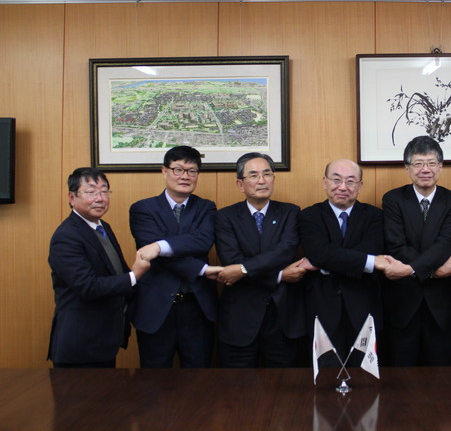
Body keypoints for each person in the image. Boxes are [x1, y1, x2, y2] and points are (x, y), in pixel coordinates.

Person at [48, 167, 151, 368]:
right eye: (91, 192)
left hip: (104, 340)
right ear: (72, 197)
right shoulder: (66, 236)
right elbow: (88, 286)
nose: (100, 198)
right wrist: (134, 275)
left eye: (104, 191)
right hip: (80, 345)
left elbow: (116, 271)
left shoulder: (103, 227)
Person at [129, 146, 221, 368]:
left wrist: (159, 246)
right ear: (164, 171)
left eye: (192, 171)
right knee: (154, 380)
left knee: (199, 378)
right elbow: (155, 255)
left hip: (197, 308)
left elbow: (203, 240)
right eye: (178, 169)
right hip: (155, 308)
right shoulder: (142, 209)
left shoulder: (206, 208)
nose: (185, 176)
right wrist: (201, 269)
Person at [214, 152, 307, 367]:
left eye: (267, 174)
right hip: (240, 317)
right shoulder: (225, 217)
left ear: (273, 178)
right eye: (254, 175)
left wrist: (243, 270)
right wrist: (280, 275)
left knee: (284, 384)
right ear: (240, 184)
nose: (262, 180)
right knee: (238, 384)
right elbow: (231, 259)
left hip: (282, 317)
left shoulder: (290, 212)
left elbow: (285, 251)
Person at [380, 136, 451, 366]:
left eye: (431, 163)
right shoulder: (393, 199)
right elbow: (396, 245)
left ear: (441, 166)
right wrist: (432, 271)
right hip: (403, 301)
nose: (425, 169)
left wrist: (410, 269)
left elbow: (446, 244)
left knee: (440, 374)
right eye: (418, 163)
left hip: (441, 303)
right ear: (407, 168)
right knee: (401, 372)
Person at [299, 159, 387, 361]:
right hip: (322, 307)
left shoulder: (375, 216)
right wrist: (369, 262)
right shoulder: (309, 216)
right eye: (336, 180)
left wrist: (325, 264)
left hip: (364, 306)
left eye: (350, 181)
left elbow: (371, 249)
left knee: (365, 373)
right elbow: (319, 253)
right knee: (326, 372)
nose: (342, 187)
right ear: (325, 182)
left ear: (360, 186)